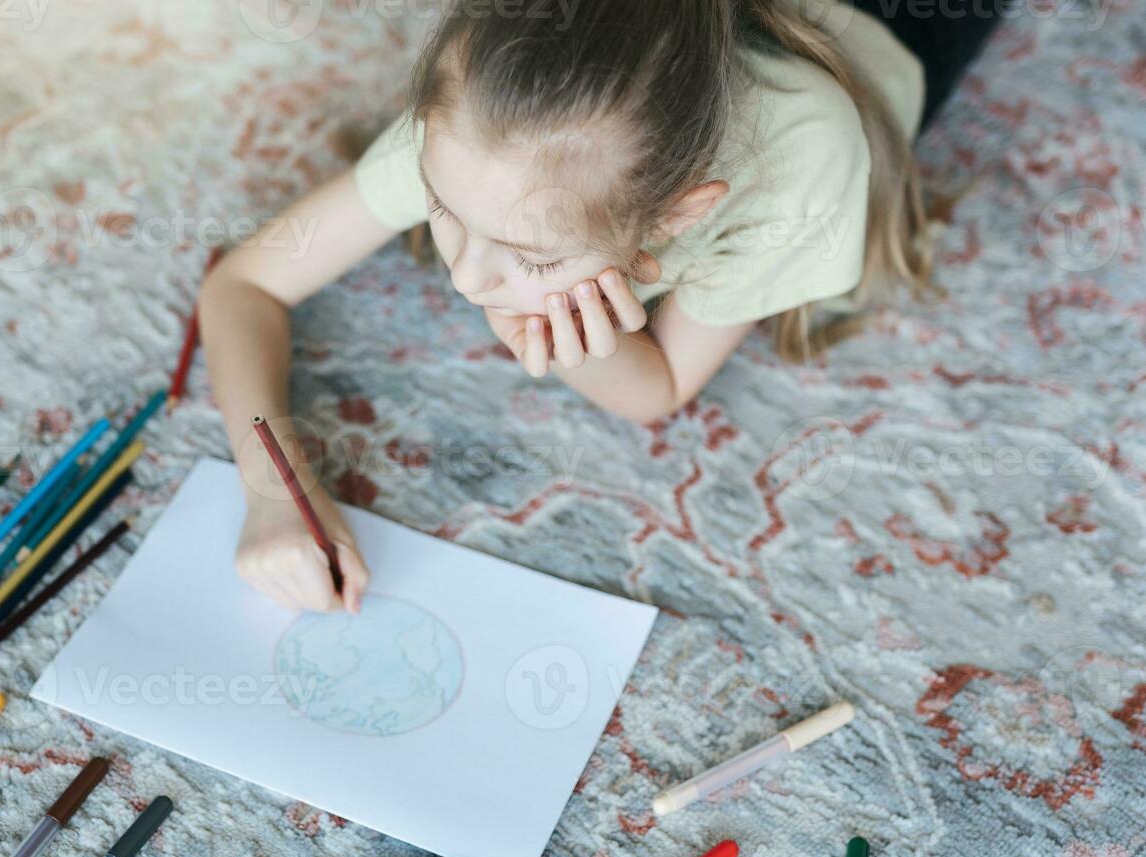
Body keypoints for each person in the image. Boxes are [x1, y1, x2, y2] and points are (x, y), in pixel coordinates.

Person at [198, 0, 1004, 613]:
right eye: (442, 206)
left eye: (532, 256)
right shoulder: (490, 114)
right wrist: (272, 490)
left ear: (677, 216)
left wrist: (585, 347)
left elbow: (657, 390)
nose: (468, 280)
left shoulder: (800, 162)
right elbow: (244, 283)